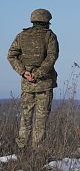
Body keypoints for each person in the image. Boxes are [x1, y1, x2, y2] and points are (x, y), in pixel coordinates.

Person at [7, 9, 59, 152]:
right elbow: (52, 58)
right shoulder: (50, 36)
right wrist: (38, 73)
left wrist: (24, 73)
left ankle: (21, 149)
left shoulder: (21, 36)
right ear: (47, 22)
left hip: (27, 85)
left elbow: (11, 55)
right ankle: (38, 151)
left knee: (25, 117)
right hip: (44, 84)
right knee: (41, 120)